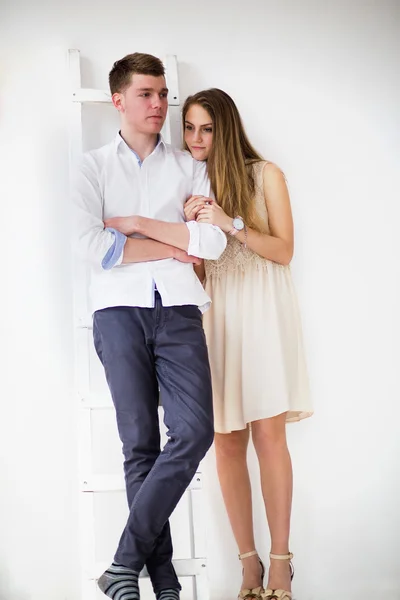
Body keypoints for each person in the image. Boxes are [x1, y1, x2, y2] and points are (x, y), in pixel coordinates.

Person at [73, 54, 227, 600]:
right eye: (146, 94)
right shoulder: (91, 167)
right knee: (138, 445)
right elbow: (92, 246)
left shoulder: (189, 167)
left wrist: (137, 229)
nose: (160, 104)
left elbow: (211, 243)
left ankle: (122, 563)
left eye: (163, 94)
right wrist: (171, 242)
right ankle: (160, 580)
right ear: (119, 100)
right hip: (117, 314)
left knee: (194, 432)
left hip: (180, 311)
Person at [182, 89, 313, 600]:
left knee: (268, 435)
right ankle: (248, 565)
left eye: (206, 129)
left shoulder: (266, 175)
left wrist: (229, 223)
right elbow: (194, 267)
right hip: (215, 316)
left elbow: (284, 251)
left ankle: (281, 563)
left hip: (262, 312)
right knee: (225, 439)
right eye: (189, 128)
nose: (196, 139)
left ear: (226, 129)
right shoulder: (190, 182)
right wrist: (191, 233)